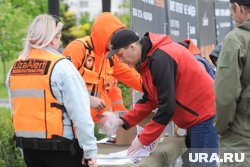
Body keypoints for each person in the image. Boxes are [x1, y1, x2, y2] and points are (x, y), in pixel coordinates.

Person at [106, 29, 218, 166]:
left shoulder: (160, 58)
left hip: (203, 116)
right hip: (195, 117)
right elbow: (150, 98)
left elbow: (167, 107)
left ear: (132, 47)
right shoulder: (147, 60)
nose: (121, 61)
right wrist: (122, 121)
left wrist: (143, 139)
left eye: (120, 55)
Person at [6, 14, 97, 167]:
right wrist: (90, 151)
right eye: (59, 37)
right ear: (53, 38)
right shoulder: (61, 66)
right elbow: (80, 113)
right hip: (61, 149)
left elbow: (15, 108)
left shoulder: (16, 67)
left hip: (28, 147)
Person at [63, 12, 142, 122]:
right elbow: (62, 83)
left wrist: (157, 90)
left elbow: (133, 77)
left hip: (88, 123)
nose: (117, 40)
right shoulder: (78, 48)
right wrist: (88, 99)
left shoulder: (111, 57)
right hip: (69, 121)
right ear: (105, 33)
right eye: (115, 35)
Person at [214, 0, 250, 166]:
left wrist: (221, 127)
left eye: (232, 10)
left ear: (238, 8)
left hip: (240, 137)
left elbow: (226, 95)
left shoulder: (235, 40)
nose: (232, 15)